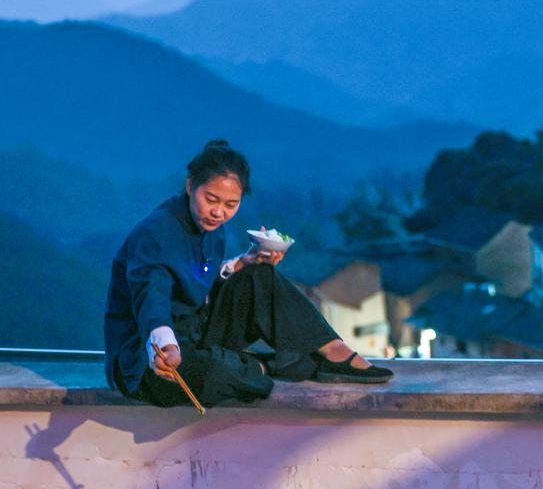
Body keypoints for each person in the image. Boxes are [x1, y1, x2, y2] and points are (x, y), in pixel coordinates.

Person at [104, 139, 393, 409]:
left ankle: (332, 351)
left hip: (196, 333)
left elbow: (197, 281)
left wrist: (243, 264)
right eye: (211, 199)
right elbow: (150, 297)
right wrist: (165, 345)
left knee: (259, 276)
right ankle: (262, 366)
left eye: (230, 205)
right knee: (212, 373)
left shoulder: (210, 228)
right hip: (149, 357)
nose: (218, 212)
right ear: (190, 185)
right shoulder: (156, 234)